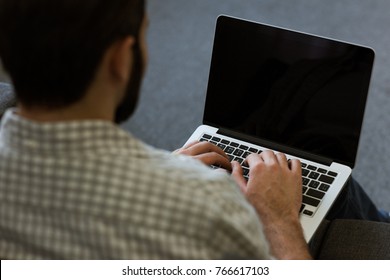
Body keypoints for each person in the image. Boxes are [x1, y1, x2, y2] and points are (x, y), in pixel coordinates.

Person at [0, 0, 386, 260]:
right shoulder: (210, 207)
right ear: (120, 59)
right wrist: (278, 217)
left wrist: (158, 173)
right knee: (340, 188)